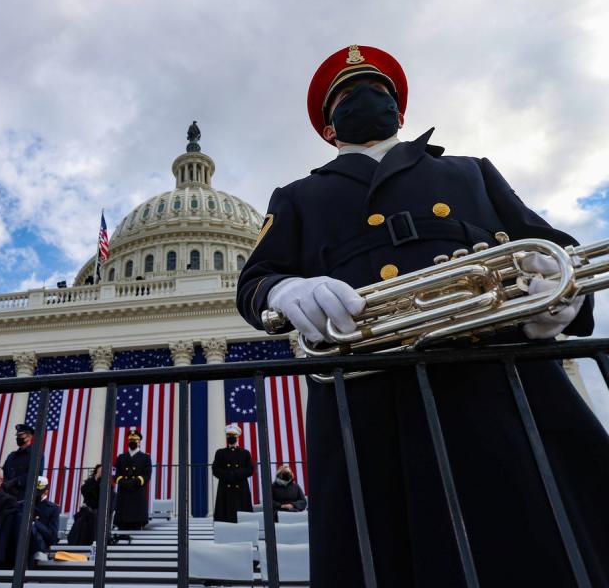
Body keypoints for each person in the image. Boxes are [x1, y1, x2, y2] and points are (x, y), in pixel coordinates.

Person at [237, 44, 609, 586]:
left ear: (400, 110)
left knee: (540, 546)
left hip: (498, 382)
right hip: (368, 402)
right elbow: (255, 280)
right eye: (346, 95)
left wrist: (561, 295)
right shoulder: (298, 196)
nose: (364, 99)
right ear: (328, 126)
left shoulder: (471, 171)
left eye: (377, 90)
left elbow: (552, 248)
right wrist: (285, 288)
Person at [211, 424, 254, 522]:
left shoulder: (245, 453)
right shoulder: (220, 453)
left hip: (241, 487)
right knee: (225, 516)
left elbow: (250, 469)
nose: (231, 437)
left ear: (238, 437)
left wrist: (236, 474)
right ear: (226, 437)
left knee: (243, 516)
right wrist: (228, 475)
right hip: (225, 487)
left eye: (233, 435)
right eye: (229, 435)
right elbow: (215, 469)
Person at [113, 429, 151, 530]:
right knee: (122, 523)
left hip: (137, 491)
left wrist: (135, 482)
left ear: (139, 442)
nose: (132, 442)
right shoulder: (121, 457)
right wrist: (122, 481)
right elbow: (115, 473)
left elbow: (147, 474)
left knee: (136, 523)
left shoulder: (145, 458)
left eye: (135, 440)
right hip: (123, 492)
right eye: (130, 440)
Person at [1, 423, 44, 499]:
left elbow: (36, 474)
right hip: (7, 497)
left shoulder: (36, 454)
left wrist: (17, 481)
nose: (18, 438)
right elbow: (3, 472)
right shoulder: (11, 456)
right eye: (17, 436)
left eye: (20, 435)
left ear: (29, 436)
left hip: (24, 497)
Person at [67, 464, 102, 545]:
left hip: (98, 511)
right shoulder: (90, 482)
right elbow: (84, 491)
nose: (101, 473)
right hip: (87, 510)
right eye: (99, 471)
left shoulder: (106, 484)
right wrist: (95, 478)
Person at [29, 475, 60, 564]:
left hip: (40, 546)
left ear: (46, 491)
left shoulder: (52, 508)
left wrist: (34, 522)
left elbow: (52, 536)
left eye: (39, 492)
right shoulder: (24, 505)